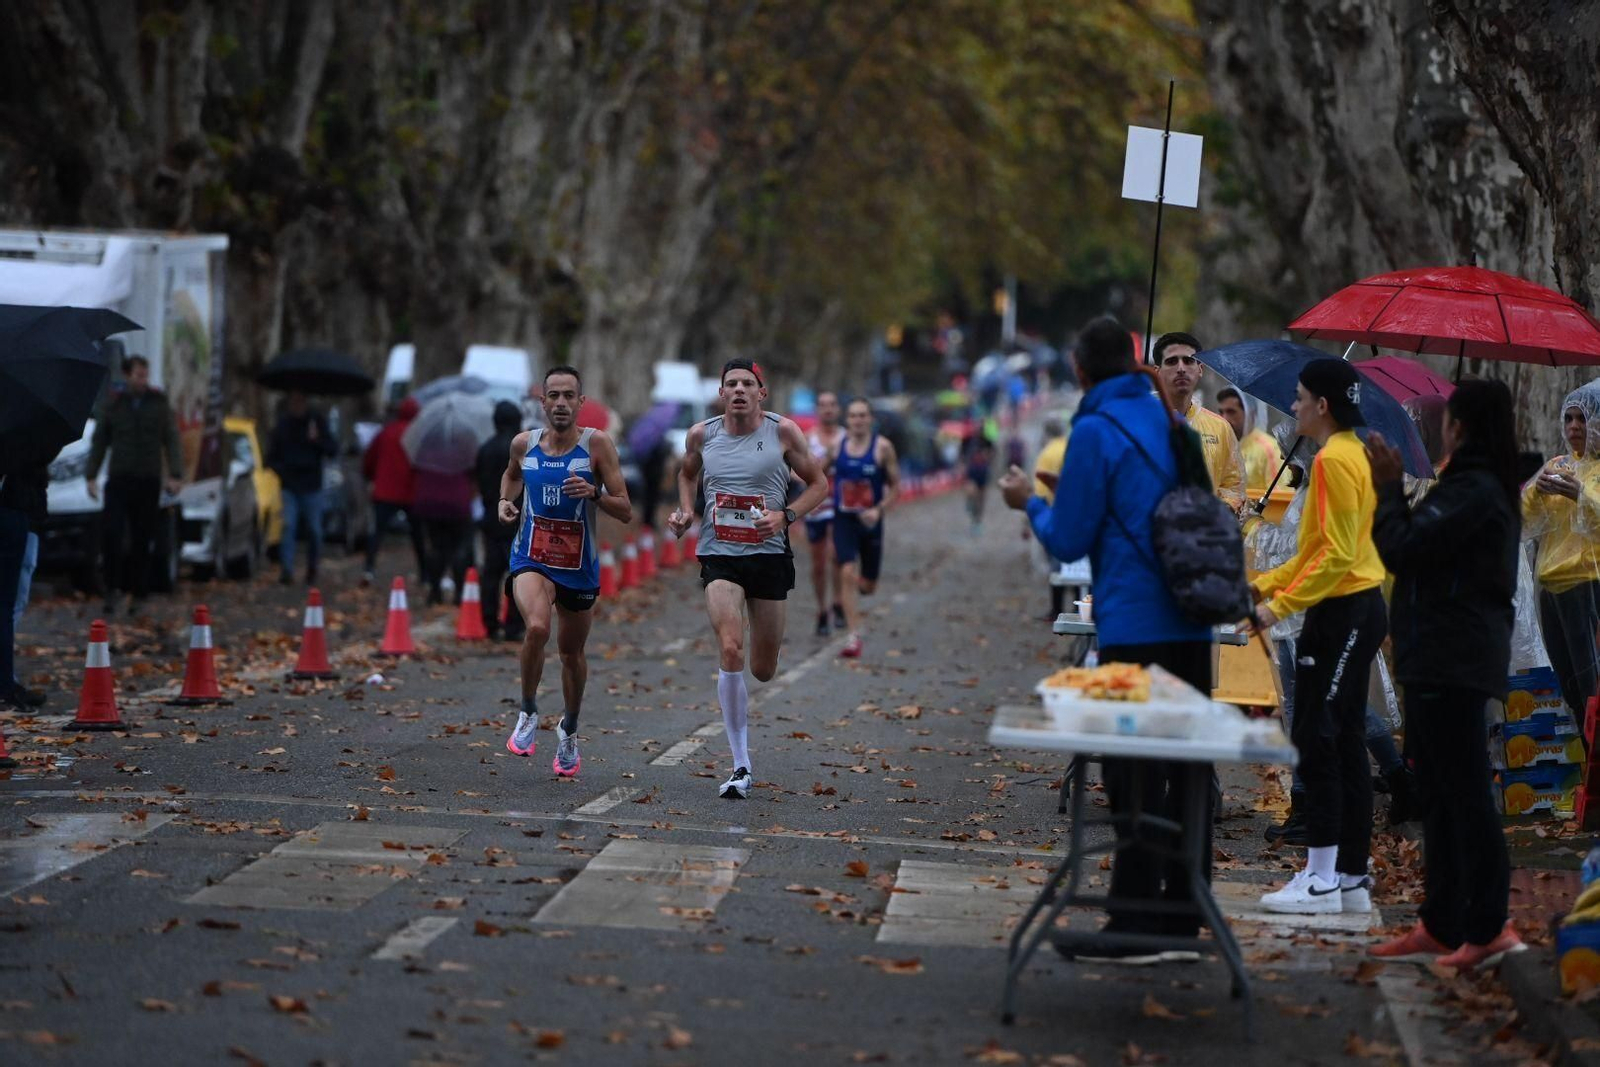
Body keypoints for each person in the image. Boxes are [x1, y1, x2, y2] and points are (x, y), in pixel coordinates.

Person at [998, 316, 1215, 963]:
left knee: (1131, 775)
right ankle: (1183, 914)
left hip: (1134, 623)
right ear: (1137, 361)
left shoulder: (1093, 430)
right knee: (1188, 769)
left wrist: (1028, 503)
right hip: (1192, 618)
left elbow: (1067, 539)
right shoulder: (1172, 422)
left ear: (1078, 368)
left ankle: (1133, 919)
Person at [1367, 379, 1525, 969]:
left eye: (1448, 420)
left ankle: (1488, 925)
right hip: (1437, 655)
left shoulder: (1475, 491)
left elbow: (1401, 548)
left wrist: (1388, 491)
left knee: (1464, 794)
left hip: (1453, 660)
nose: (1440, 429)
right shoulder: (1465, 487)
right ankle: (1441, 921)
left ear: (1461, 426)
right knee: (1437, 792)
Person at [1249, 359, 1387, 915]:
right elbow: (1314, 550)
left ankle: (1322, 876)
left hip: (1344, 612)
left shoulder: (1334, 461)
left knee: (1319, 735)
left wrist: (1279, 605)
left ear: (1323, 405)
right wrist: (1265, 587)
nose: (1295, 404)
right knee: (1345, 737)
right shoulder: (1350, 452)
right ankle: (1351, 874)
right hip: (1352, 607)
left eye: (1301, 396)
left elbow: (1336, 556)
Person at [666, 358, 829, 799]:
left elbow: (819, 484)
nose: (738, 390)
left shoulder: (783, 432)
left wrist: (785, 516)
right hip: (719, 554)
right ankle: (741, 764)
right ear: (721, 394)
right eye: (731, 384)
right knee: (731, 646)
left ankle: (756, 679)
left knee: (762, 668)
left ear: (762, 392)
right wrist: (686, 511)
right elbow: (686, 473)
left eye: (747, 384)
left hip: (770, 556)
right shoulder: (702, 434)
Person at [500, 366, 631, 777]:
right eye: (552, 395)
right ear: (542, 402)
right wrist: (504, 502)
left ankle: (569, 729)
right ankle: (527, 711)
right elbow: (510, 477)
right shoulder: (524, 444)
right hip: (530, 557)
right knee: (537, 627)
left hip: (577, 566)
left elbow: (625, 508)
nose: (560, 403)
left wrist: (595, 493)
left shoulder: (597, 446)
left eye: (567, 396)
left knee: (571, 653)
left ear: (580, 402)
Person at [1522, 381, 1600, 720]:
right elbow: (1523, 522)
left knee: (1591, 683)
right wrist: (1535, 492)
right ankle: (1586, 760)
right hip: (1551, 588)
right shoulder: (1558, 465)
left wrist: (1580, 495)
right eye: (1568, 419)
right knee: (1567, 683)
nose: (1573, 427)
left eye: (1582, 419)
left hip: (1587, 584)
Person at [86, 355, 184, 613]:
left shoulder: (158, 403)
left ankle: (139, 592)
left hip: (148, 479)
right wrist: (91, 475)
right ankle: (112, 589)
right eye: (139, 375)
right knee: (112, 535)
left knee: (143, 538)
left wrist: (175, 473)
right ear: (127, 375)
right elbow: (100, 442)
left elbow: (171, 438)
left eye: (145, 375)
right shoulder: (114, 404)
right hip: (120, 478)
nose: (143, 380)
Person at [829, 397, 900, 659]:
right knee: (846, 570)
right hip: (844, 519)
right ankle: (853, 636)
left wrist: (878, 510)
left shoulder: (883, 448)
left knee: (868, 586)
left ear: (870, 419)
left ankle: (856, 591)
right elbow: (815, 472)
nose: (857, 420)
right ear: (846, 421)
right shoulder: (837, 446)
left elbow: (896, 488)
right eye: (853, 416)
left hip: (871, 522)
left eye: (862, 415)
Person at [1153, 332, 1245, 513]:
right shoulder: (1138, 422)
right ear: (1156, 372)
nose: (1181, 368)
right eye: (1172, 362)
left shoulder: (1220, 428)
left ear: (1200, 369)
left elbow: (1234, 485)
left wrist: (1225, 508)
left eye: (1188, 361)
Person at [267, 391, 337, 586]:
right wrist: (282, 472)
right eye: (294, 402)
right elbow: (272, 456)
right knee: (288, 525)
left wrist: (317, 441)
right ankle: (287, 569)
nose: (297, 406)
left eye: (300, 401)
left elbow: (332, 449)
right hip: (289, 486)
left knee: (315, 530)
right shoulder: (282, 426)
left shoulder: (317, 423)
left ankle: (312, 568)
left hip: (312, 486)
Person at [476, 400, 526, 642]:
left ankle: (489, 621)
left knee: (491, 573)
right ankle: (514, 625)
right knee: (518, 573)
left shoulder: (485, 449)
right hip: (519, 518)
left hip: (490, 517)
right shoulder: (522, 450)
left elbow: (478, 481)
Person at [362, 396, 425, 584]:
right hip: (410, 492)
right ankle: (425, 573)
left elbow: (370, 458)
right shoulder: (417, 435)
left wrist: (371, 477)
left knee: (377, 532)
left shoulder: (386, 432)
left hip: (385, 491)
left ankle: (369, 568)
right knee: (418, 536)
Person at [0, 460, 48, 709]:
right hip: (18, 512)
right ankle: (6, 681)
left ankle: (7, 678)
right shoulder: (27, 434)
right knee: (9, 603)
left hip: (22, 509)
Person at [804, 390, 845, 636]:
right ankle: (822, 609)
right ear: (817, 410)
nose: (828, 409)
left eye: (832, 405)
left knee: (836, 554)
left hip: (842, 506)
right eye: (823, 405)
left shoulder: (848, 438)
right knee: (818, 564)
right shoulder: (808, 440)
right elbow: (797, 472)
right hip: (816, 505)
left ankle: (839, 601)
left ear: (838, 409)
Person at [413, 462, 474, 606]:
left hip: (431, 502)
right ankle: (460, 592)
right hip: (458, 502)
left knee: (436, 547)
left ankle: (435, 591)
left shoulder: (427, 447)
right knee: (459, 547)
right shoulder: (463, 448)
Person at [1032, 417, 1070, 619]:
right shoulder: (1071, 444)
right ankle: (1078, 608)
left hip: (1054, 512)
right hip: (1077, 511)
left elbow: (1040, 490)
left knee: (1055, 564)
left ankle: (1056, 609)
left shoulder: (1046, 454)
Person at [1217, 386, 1282, 502]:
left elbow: (1280, 497)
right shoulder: (1220, 447)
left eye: (1231, 412)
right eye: (1221, 412)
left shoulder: (1269, 448)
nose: (1224, 418)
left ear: (1249, 413)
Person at [962, 428, 995, 534]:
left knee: (981, 500)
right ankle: (970, 503)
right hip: (972, 472)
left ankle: (977, 521)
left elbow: (993, 454)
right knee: (971, 492)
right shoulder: (968, 440)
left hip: (983, 473)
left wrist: (988, 456)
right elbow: (962, 455)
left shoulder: (987, 441)